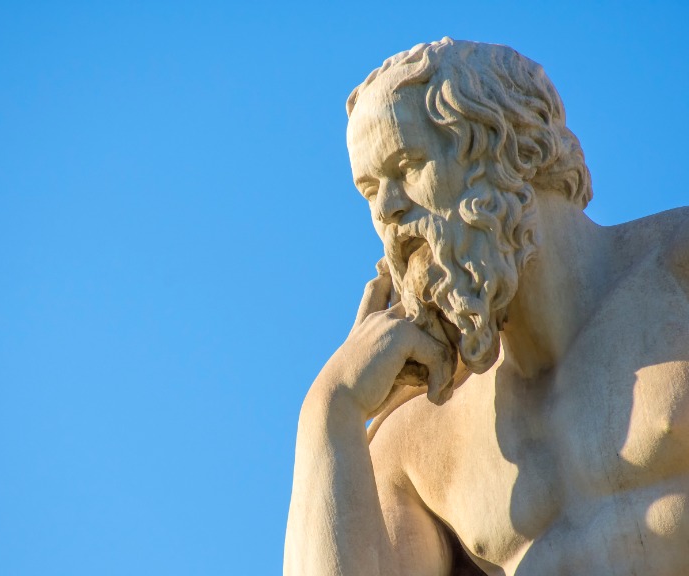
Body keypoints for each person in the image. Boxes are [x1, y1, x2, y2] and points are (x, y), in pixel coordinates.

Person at [284, 38, 689, 576]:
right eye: (370, 190)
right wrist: (330, 408)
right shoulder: (418, 441)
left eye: (408, 165)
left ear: (506, 152)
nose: (387, 209)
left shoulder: (677, 273)